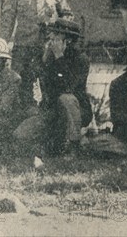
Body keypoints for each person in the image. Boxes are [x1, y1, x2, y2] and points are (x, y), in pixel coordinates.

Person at [0, 0, 73, 108]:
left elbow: (68, 16)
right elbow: (7, 21)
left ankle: (48, 120)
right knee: (19, 85)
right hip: (22, 48)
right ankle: (21, 120)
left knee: (49, 85)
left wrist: (55, 25)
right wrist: (2, 47)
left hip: (46, 48)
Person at [39, 18, 92, 157]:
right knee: (22, 135)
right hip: (53, 111)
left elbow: (69, 87)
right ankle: (58, 142)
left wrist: (59, 56)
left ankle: (74, 145)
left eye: (56, 36)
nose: (51, 38)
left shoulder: (81, 59)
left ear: (67, 41)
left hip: (77, 111)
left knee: (66, 99)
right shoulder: (49, 56)